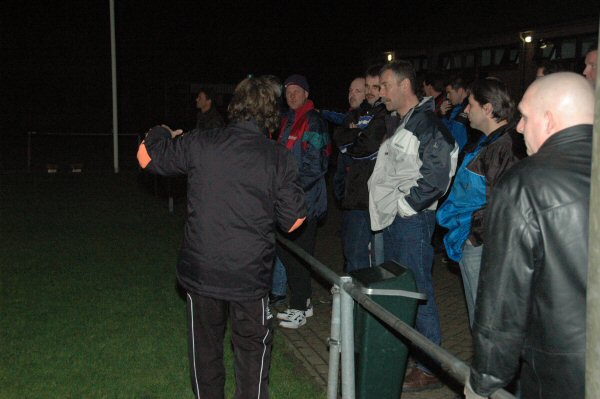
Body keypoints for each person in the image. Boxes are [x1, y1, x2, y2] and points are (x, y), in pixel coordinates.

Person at [137, 76, 307, 399]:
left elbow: (146, 157)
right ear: (271, 114)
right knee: (252, 355)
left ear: (235, 108)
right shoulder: (278, 156)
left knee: (206, 353)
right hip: (249, 276)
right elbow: (294, 220)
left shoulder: (201, 142)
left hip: (203, 274)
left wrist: (162, 132)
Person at [465, 72, 595, 399]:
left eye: (524, 117)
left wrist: (485, 381)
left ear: (549, 120)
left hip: (563, 374)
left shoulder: (525, 184)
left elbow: (503, 299)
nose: (519, 127)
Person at [368, 60, 458, 391]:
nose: (380, 93)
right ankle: (413, 356)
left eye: (385, 86)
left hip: (412, 223)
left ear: (405, 85)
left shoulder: (427, 122)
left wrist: (407, 206)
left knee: (418, 292)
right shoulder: (403, 121)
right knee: (403, 292)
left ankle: (429, 367)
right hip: (397, 221)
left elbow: (438, 170)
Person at [436, 77, 526, 326]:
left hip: (482, 242)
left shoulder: (505, 147)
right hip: (472, 238)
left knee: (486, 320)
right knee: (479, 316)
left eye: (470, 105)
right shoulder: (489, 143)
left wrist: (472, 235)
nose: (465, 111)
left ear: (488, 109)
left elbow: (505, 206)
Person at [276, 74, 330, 329]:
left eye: (297, 90)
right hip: (287, 200)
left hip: (306, 201)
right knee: (285, 251)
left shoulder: (314, 121)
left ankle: (298, 307)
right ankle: (303, 301)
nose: (292, 94)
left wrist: (289, 188)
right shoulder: (287, 120)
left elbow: (316, 164)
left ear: (306, 94)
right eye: (288, 91)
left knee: (299, 254)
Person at [333, 64, 388, 272]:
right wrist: (357, 136)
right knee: (354, 256)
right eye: (368, 86)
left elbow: (367, 145)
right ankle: (354, 304)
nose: (370, 91)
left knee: (378, 262)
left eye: (376, 86)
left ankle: (371, 303)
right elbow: (340, 137)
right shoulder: (358, 112)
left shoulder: (386, 113)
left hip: (375, 198)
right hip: (355, 198)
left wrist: (356, 137)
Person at [440, 75, 472, 152]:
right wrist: (443, 115)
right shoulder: (457, 107)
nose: (447, 96)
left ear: (460, 91)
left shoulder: (465, 109)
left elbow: (456, 144)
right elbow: (449, 131)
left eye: (449, 93)